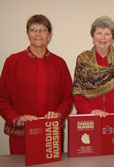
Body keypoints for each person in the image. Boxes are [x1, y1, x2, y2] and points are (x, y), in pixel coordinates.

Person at [0, 15, 73, 154]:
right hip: (21, 135)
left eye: (42, 29)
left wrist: (58, 114)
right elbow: (1, 98)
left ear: (49, 35)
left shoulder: (59, 63)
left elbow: (68, 98)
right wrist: (17, 118)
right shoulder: (12, 61)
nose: (38, 33)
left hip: (51, 135)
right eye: (33, 29)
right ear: (28, 33)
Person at [73, 16, 114, 120]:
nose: (102, 37)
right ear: (93, 37)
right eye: (99, 33)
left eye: (107, 34)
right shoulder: (83, 60)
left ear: (112, 39)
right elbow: (77, 93)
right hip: (90, 118)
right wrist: (90, 111)